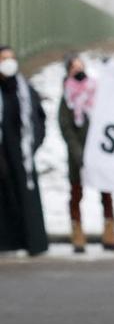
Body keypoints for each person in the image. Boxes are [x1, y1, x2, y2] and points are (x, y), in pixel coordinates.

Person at [60, 53, 114, 254]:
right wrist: (79, 154)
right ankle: (78, 233)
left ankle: (110, 232)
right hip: (78, 156)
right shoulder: (68, 96)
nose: (79, 71)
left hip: (99, 154)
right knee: (76, 194)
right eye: (74, 68)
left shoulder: (95, 90)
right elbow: (66, 127)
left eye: (81, 66)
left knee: (106, 194)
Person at [0, 46, 48, 256]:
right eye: (3, 59)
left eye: (11, 58)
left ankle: (31, 242)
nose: (8, 62)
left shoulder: (24, 89)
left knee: (26, 199)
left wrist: (32, 144)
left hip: (22, 155)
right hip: (2, 153)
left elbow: (38, 119)